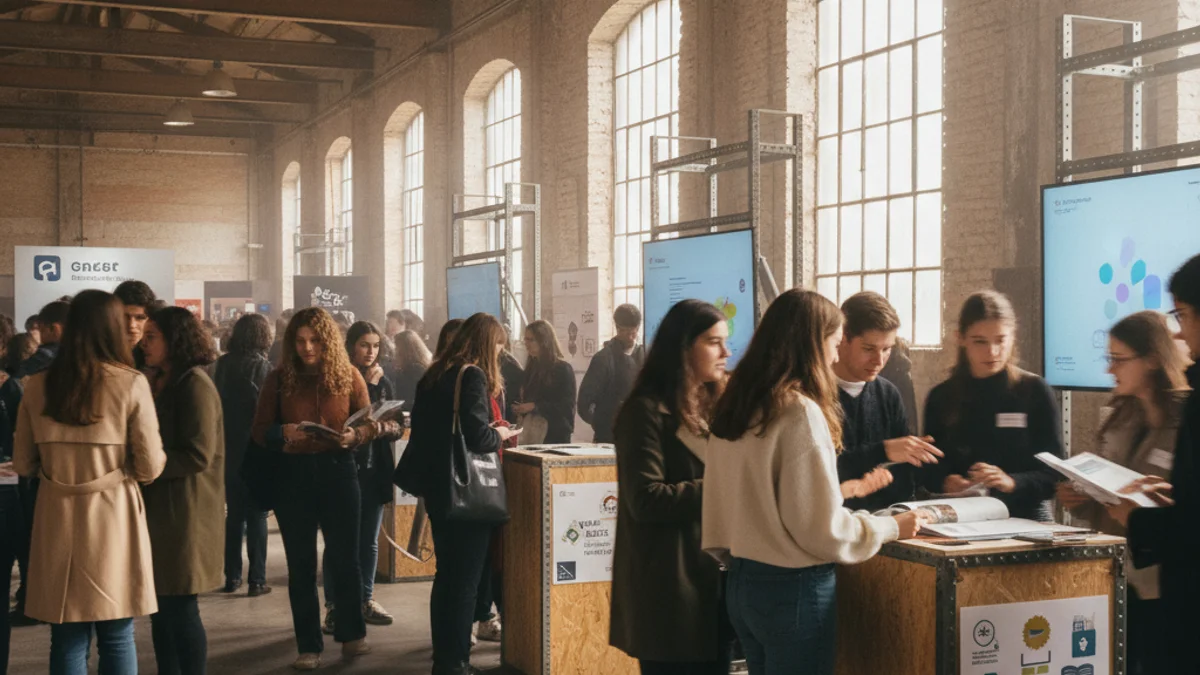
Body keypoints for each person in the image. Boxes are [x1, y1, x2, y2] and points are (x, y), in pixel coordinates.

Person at [700, 290, 926, 675]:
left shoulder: (739, 403)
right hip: (794, 589)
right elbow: (821, 528)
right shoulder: (800, 410)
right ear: (810, 344)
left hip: (742, 584)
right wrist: (891, 526)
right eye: (835, 344)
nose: (836, 356)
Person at [12, 290, 167, 674]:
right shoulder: (131, 384)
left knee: (66, 635)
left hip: (56, 517)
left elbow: (23, 462)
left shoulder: (36, 385)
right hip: (114, 517)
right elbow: (150, 467)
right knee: (117, 632)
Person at [250, 307, 385, 670]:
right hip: (292, 474)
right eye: (300, 340)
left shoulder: (349, 376)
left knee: (346, 559)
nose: (307, 347)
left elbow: (370, 424)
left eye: (314, 340)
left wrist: (356, 434)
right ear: (291, 343)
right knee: (302, 564)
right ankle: (308, 644)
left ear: (328, 341)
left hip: (339, 471)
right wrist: (284, 432)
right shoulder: (278, 378)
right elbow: (259, 429)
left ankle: (353, 634)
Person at [1055, 311, 1186, 675]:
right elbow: (1110, 505)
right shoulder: (1118, 416)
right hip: (1118, 575)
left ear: (1152, 360)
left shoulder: (1188, 419)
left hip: (1168, 584)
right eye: (1108, 358)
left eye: (1119, 359)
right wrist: (1082, 502)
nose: (1110, 370)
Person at [609, 300, 733, 674]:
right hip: (669, 589)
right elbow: (645, 498)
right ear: (682, 347)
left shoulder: (715, 406)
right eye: (713, 342)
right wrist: (724, 488)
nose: (725, 352)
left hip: (714, 586)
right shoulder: (644, 412)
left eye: (725, 341)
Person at [402, 313, 521, 675]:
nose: (500, 352)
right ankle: (457, 663)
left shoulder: (435, 373)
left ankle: (445, 659)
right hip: (467, 492)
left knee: (446, 577)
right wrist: (499, 433)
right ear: (487, 342)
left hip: (439, 489)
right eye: (499, 344)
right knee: (466, 582)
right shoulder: (472, 375)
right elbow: (477, 437)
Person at [1110, 253, 1200, 672]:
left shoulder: (1188, 407)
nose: (1180, 333)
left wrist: (1140, 520)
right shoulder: (1121, 414)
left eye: (1182, 315)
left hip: (1176, 596)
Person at [922, 291, 1064, 521]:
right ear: (961, 338)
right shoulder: (941, 397)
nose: (992, 352)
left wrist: (1012, 481)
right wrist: (946, 481)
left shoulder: (1034, 391)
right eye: (980, 342)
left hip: (1026, 517)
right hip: (962, 516)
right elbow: (927, 467)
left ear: (1012, 337)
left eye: (1000, 340)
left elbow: (1055, 474)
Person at [140, 307, 225, 675]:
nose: (144, 342)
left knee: (180, 607)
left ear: (174, 340)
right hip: (165, 510)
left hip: (185, 513)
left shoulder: (194, 384)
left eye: (152, 336)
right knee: (163, 608)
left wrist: (144, 466)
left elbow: (198, 454)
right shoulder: (163, 380)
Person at [322, 322, 404, 634]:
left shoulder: (385, 382)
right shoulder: (338, 377)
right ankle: (334, 606)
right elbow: (344, 421)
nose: (370, 352)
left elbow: (395, 426)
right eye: (364, 345)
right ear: (351, 346)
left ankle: (365, 599)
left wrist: (386, 424)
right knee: (338, 541)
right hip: (343, 469)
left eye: (375, 346)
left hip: (374, 469)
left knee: (369, 541)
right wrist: (368, 389)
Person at [833, 292, 942, 512]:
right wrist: (882, 451)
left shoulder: (888, 393)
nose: (879, 360)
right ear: (842, 339)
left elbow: (904, 480)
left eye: (887, 349)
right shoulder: (811, 394)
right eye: (868, 349)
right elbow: (816, 472)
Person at [213, 313, 274, 598]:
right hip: (256, 449)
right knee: (258, 515)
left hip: (228, 449)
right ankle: (257, 580)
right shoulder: (264, 369)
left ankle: (232, 576)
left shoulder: (221, 365)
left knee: (234, 516)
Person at [579, 304, 645, 444]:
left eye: (634, 332)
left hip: (640, 436)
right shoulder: (603, 359)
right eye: (627, 333)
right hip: (609, 438)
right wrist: (602, 424)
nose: (632, 337)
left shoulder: (646, 356)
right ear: (618, 328)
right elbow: (584, 402)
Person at [514, 320, 577, 444]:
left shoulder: (562, 369)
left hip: (554, 435)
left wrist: (535, 406)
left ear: (544, 341)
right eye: (525, 339)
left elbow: (567, 407)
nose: (526, 344)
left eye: (531, 340)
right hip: (532, 433)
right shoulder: (531, 368)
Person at [16, 300, 68, 378]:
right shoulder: (82, 355)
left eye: (41, 329)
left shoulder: (44, 355)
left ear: (53, 328)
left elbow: (20, 376)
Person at [113, 280, 158, 358]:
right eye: (125, 317)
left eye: (140, 318)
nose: (132, 325)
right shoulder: (97, 355)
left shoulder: (159, 358)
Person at [393, 330, 432, 412]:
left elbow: (410, 400)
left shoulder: (414, 370)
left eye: (397, 347)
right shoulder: (417, 368)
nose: (395, 351)